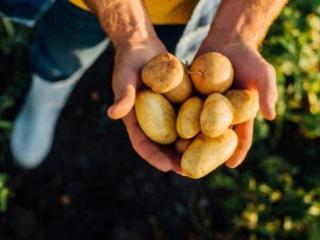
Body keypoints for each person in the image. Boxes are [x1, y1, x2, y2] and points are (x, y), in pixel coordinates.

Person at [1, 0, 287, 174]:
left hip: (202, 8)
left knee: (177, 62)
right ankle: (48, 94)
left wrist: (237, 30)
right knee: (61, 56)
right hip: (83, 4)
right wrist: (131, 32)